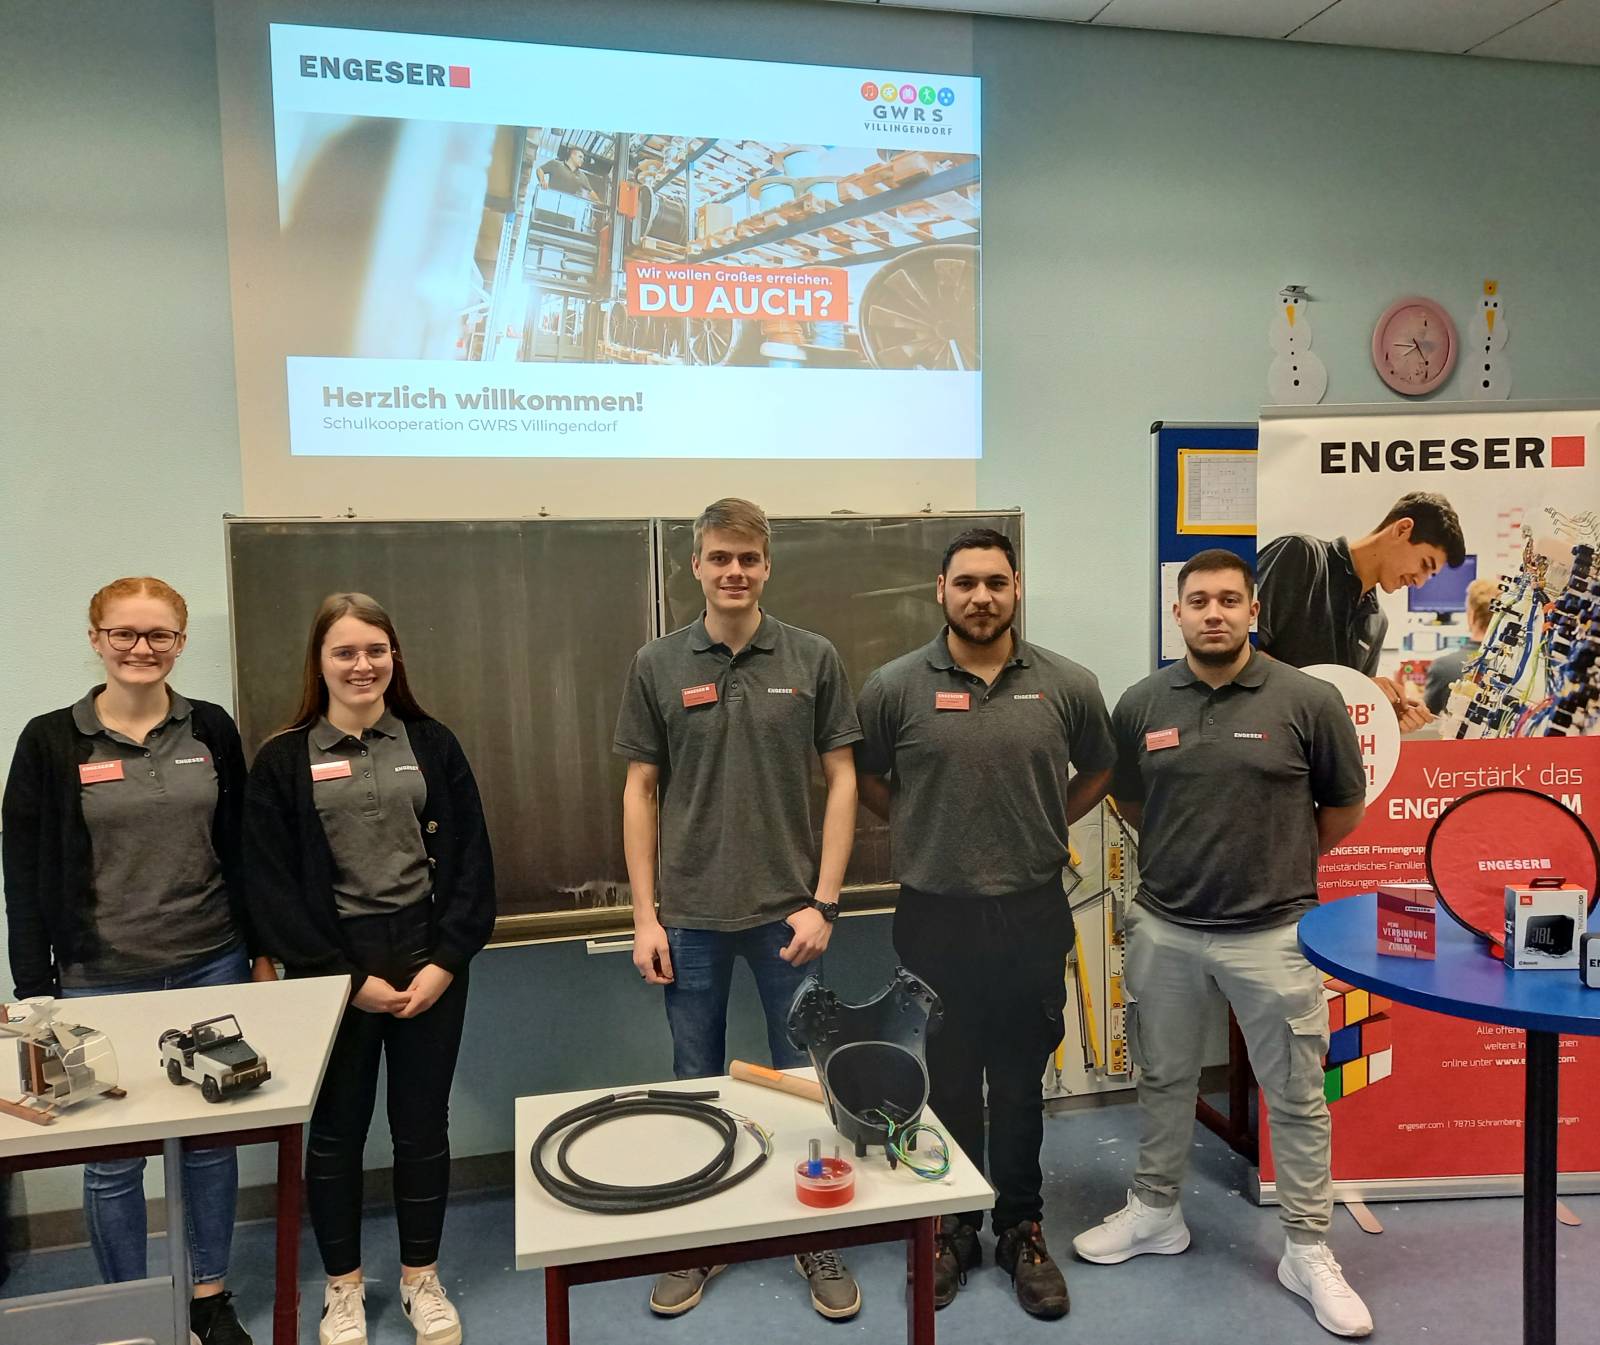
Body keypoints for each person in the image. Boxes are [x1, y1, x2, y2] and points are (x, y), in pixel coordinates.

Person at [1074, 548, 1373, 1338]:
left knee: (1297, 1094)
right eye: (1199, 600)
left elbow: (1343, 806)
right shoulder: (1142, 703)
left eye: (1229, 600)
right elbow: (1132, 802)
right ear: (1177, 612)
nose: (1214, 612)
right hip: (1166, 925)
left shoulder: (1307, 699)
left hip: (1274, 932)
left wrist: (1279, 863)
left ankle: (1306, 1247)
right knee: (1164, 1075)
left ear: (1253, 611)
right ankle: (1155, 1210)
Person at [855, 528, 1115, 1321]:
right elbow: (864, 777)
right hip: (934, 916)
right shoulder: (893, 686)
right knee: (947, 1081)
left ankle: (1021, 1228)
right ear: (941, 589)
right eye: (965, 582)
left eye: (996, 582)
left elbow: (1100, 767)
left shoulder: (1068, 683)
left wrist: (1044, 821)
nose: (981, 596)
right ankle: (954, 1226)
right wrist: (921, 829)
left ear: (1016, 588)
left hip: (1030, 913)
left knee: (1020, 1084)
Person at [614, 498, 863, 1321]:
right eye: (719, 557)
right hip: (689, 919)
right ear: (695, 565)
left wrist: (825, 903)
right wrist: (646, 916)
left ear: (767, 566)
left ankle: (813, 1231)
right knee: (695, 1081)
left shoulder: (813, 656)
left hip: (790, 918)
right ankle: (703, 1234)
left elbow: (842, 779)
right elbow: (640, 790)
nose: (734, 571)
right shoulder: (656, 662)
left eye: (748, 558)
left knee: (808, 1080)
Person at [2, 575, 268, 1345]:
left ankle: (207, 1296)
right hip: (97, 977)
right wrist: (36, 990)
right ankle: (132, 1309)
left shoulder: (210, 727)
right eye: (124, 632)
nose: (141, 648)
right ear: (96, 638)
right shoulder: (50, 740)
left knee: (210, 1141)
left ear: (180, 643)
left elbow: (243, 845)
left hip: (211, 959)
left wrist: (261, 952)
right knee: (113, 1158)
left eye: (159, 634)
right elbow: (23, 871)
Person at [244, 593, 494, 1345]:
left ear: (394, 657)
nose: (362, 665)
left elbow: (472, 861)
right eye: (345, 652)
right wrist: (345, 979)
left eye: (375, 650)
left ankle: (421, 1279)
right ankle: (344, 1288)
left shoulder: (431, 742)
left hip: (428, 960)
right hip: (332, 967)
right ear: (319, 663)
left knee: (422, 1128)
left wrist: (447, 960)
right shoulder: (284, 759)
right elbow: (270, 884)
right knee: (335, 1133)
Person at [1257, 490, 1467, 730]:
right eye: (1424, 565)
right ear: (1402, 529)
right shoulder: (1301, 555)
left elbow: (1345, 717)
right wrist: (1345, 688)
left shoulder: (1377, 622)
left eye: (1430, 575)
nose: (1419, 582)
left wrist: (1383, 715)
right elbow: (1241, 654)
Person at [1423, 577, 1496, 714]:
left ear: (1471, 615)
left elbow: (1426, 715)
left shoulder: (1443, 667)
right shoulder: (1513, 667)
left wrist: (1411, 691)